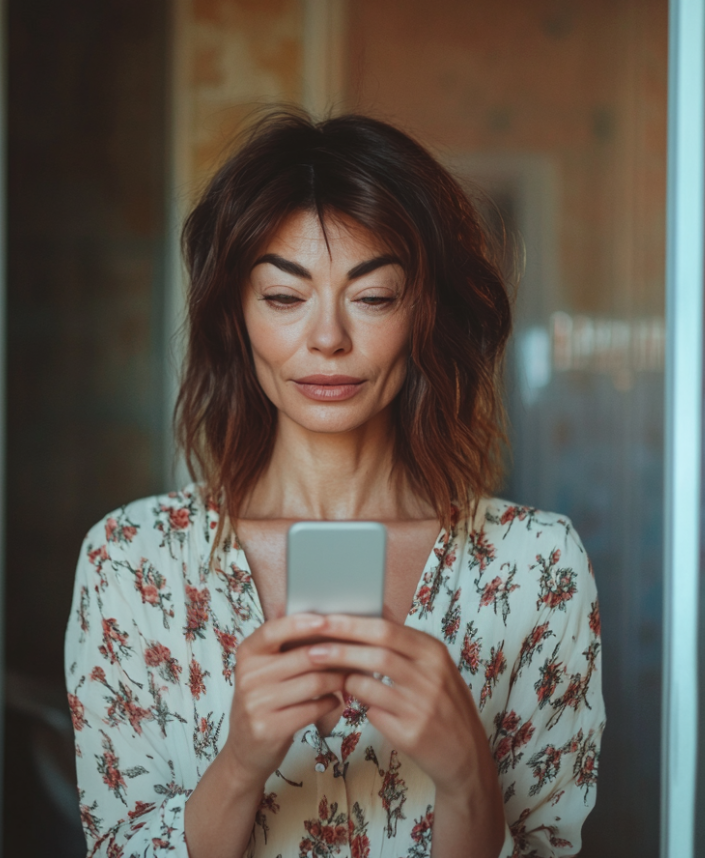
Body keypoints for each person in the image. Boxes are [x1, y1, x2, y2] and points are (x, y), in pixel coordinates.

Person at [64, 111, 604, 858]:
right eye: (284, 298)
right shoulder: (131, 562)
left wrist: (466, 776)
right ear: (234, 317)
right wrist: (240, 762)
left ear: (426, 311)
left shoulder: (536, 567)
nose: (326, 339)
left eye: (373, 296)